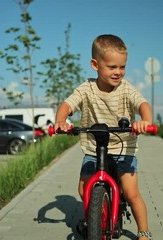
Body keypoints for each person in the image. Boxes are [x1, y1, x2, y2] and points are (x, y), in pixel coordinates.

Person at [54, 34, 153, 240]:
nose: (118, 72)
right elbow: (67, 105)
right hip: (93, 147)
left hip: (123, 148)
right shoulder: (86, 88)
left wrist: (145, 120)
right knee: (83, 189)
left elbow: (142, 104)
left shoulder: (126, 89)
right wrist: (61, 121)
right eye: (112, 67)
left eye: (122, 67)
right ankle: (96, 219)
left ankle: (143, 232)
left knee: (131, 192)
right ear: (95, 65)